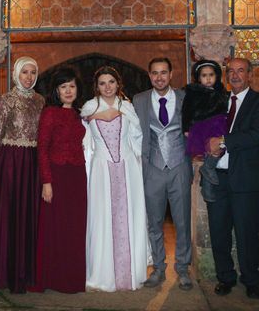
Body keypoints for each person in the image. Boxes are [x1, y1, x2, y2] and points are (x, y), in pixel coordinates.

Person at [206, 57, 259, 300]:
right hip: (217, 178)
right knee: (218, 232)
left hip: (246, 180)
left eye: (240, 71)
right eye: (231, 71)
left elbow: (255, 135)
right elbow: (206, 129)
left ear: (250, 75)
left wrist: (222, 141)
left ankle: (251, 280)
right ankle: (225, 277)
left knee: (247, 232)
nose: (235, 75)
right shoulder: (218, 101)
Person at [81, 66, 149, 292]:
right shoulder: (88, 108)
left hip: (128, 168)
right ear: (96, 86)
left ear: (118, 84)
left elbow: (136, 138)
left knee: (129, 216)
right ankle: (103, 272)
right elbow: (84, 142)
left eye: (111, 82)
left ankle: (130, 272)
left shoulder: (127, 107)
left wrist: (139, 166)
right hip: (101, 170)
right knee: (103, 217)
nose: (107, 86)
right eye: (102, 83)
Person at [0, 56, 45, 293]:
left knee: (30, 216)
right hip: (10, 164)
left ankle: (26, 274)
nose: (28, 77)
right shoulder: (5, 100)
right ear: (16, 74)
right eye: (24, 72)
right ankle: (5, 275)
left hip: (32, 165)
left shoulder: (40, 100)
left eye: (32, 72)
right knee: (10, 217)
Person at [133, 57, 193, 290]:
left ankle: (183, 268)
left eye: (163, 72)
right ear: (149, 75)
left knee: (182, 221)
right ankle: (158, 267)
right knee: (154, 222)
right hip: (152, 168)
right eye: (155, 73)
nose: (159, 77)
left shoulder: (185, 98)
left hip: (179, 166)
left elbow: (198, 124)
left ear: (171, 74)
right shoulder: (139, 100)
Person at [33, 67, 88, 293]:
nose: (68, 91)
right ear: (56, 90)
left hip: (77, 176)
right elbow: (42, 149)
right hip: (56, 176)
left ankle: (72, 279)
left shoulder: (79, 114)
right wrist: (47, 182)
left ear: (77, 89)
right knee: (55, 228)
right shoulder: (49, 113)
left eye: (72, 86)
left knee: (74, 228)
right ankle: (53, 278)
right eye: (63, 87)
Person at [181, 59, 229, 202]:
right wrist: (186, 128)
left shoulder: (222, 92)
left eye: (211, 75)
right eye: (204, 75)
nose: (208, 79)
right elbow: (186, 111)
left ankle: (207, 183)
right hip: (201, 127)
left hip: (218, 126)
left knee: (218, 150)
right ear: (198, 77)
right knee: (212, 151)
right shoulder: (193, 92)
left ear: (217, 76)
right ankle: (207, 172)